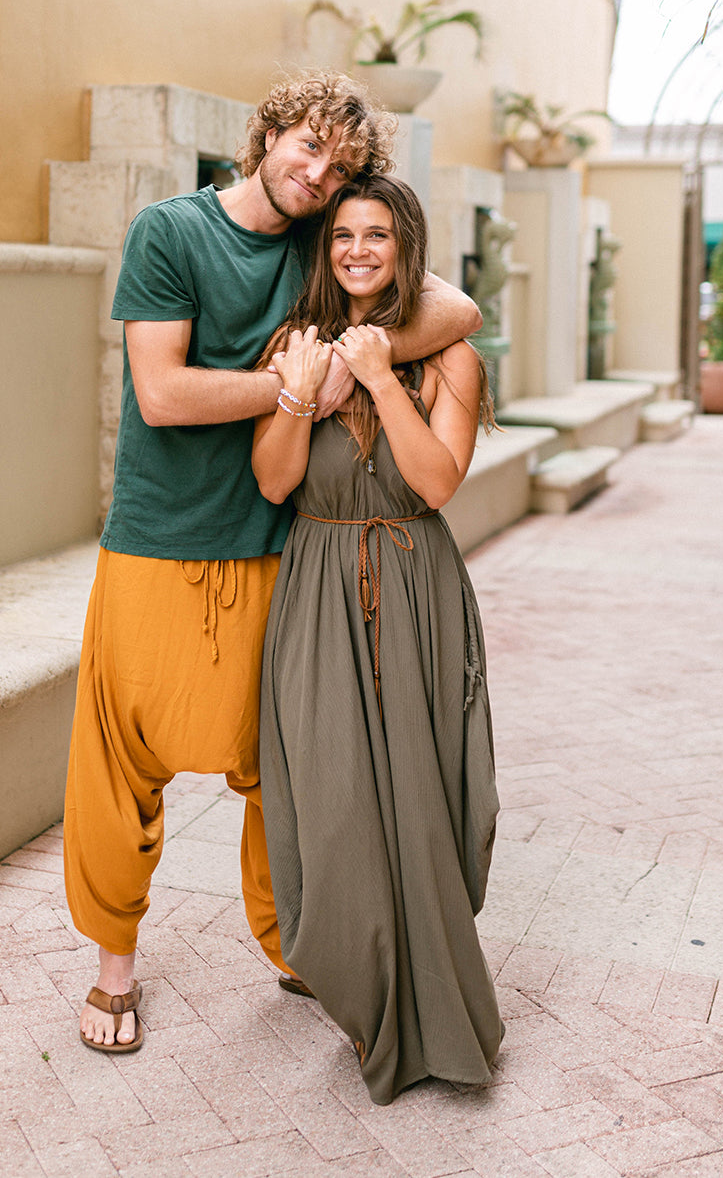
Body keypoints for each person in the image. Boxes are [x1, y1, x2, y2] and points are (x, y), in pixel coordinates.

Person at [62, 73, 482, 1052]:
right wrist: (284, 386)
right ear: (267, 136)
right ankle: (113, 969)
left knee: (281, 762)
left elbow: (452, 307)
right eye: (305, 147)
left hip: (276, 541)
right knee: (120, 759)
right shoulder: (169, 233)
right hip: (159, 536)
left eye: (337, 164)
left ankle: (290, 939)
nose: (317, 172)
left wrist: (332, 368)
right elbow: (160, 395)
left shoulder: (321, 237)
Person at [252, 175, 503, 1104]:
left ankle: (439, 1003)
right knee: (333, 798)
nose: (359, 250)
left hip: (414, 587)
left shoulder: (451, 361)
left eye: (380, 236)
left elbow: (437, 482)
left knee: (429, 796)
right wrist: (298, 394)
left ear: (407, 249)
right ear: (327, 249)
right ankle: (360, 982)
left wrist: (376, 378)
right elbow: (276, 483)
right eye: (345, 235)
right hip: (317, 589)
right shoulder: (295, 347)